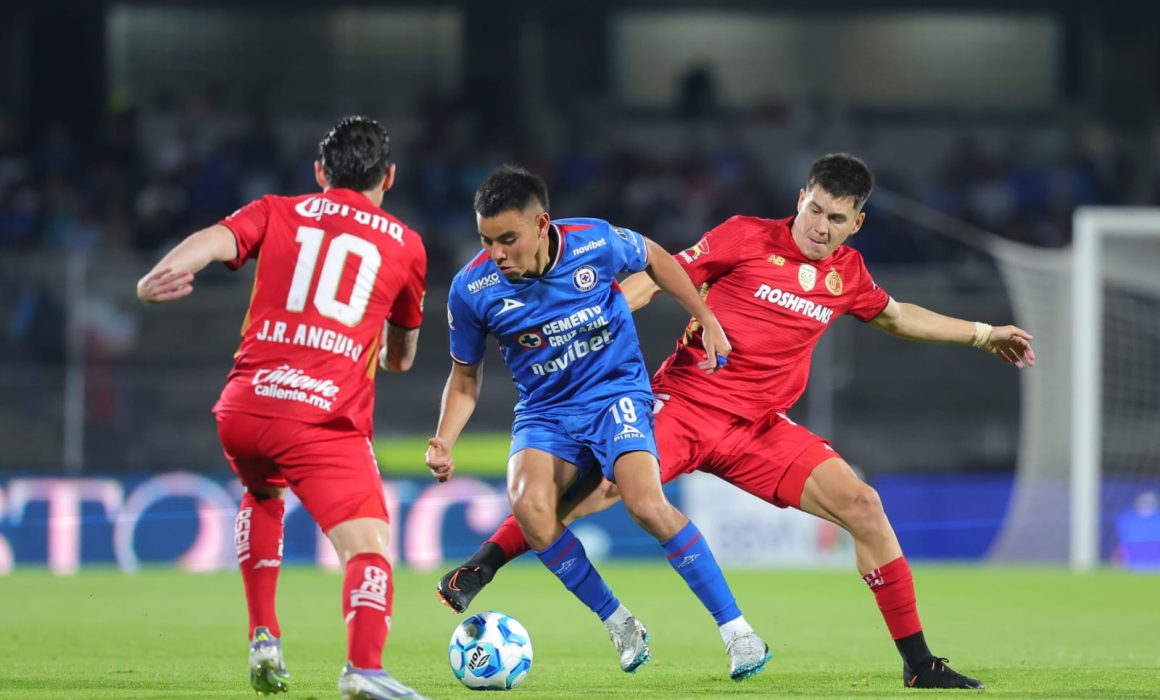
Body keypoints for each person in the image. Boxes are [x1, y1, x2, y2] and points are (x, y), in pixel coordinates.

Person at [436, 153, 1037, 690]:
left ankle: (919, 664)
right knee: (598, 493)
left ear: (856, 224)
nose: (819, 227)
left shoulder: (846, 276)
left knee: (864, 507)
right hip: (686, 404)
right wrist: (606, 307)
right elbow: (661, 274)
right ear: (801, 198)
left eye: (835, 219)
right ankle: (484, 564)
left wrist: (984, 334)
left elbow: (900, 317)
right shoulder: (744, 236)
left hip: (761, 430)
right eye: (814, 210)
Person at [424, 165, 771, 681]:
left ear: (542, 225)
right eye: (486, 240)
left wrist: (708, 317)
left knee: (647, 505)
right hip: (545, 411)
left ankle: (738, 631)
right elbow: (465, 378)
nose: (497, 253)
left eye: (508, 239)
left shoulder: (595, 241)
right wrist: (444, 438)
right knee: (531, 509)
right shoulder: (472, 288)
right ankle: (619, 622)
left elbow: (655, 256)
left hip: (615, 394)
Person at [136, 116, 430, 700]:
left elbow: (216, 239)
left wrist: (159, 276)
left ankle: (263, 636)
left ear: (320, 172)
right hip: (319, 418)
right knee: (368, 547)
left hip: (243, 409)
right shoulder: (407, 244)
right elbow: (400, 358)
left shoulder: (277, 209)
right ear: (389, 177)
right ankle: (364, 668)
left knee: (263, 492)